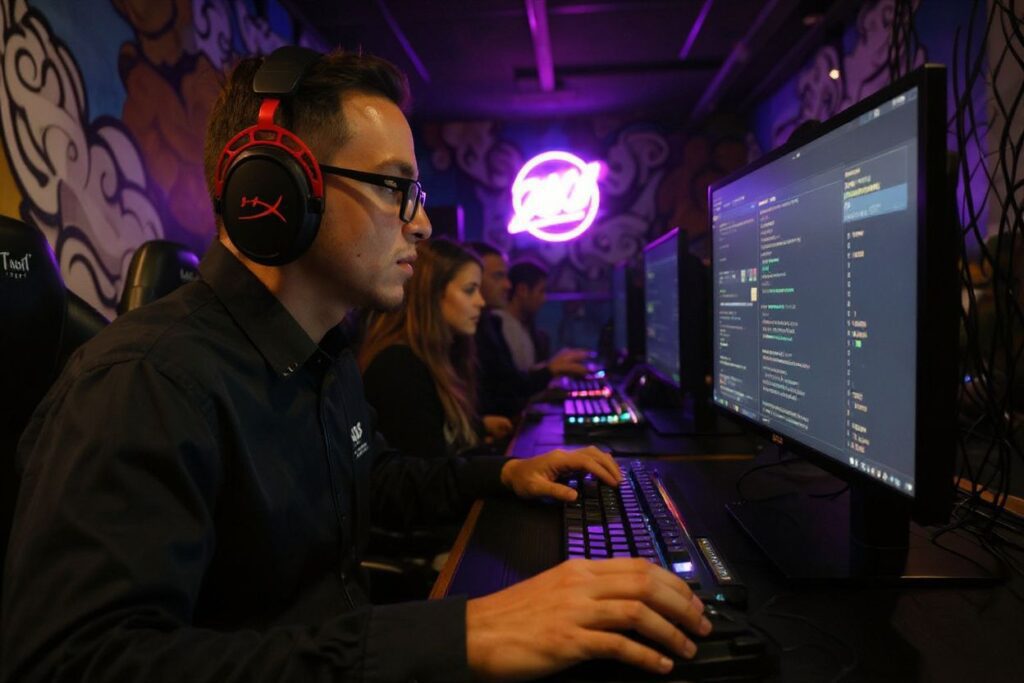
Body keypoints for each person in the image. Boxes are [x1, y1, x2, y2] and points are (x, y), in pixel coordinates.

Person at [1, 47, 711, 682]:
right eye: (392, 186)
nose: (423, 225)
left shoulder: (324, 357)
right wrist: (458, 633)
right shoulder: (143, 383)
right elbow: (75, 662)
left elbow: (371, 480)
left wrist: (502, 472)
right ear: (275, 191)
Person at [359, 238, 513, 460]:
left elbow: (435, 430)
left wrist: (479, 427)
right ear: (431, 294)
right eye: (470, 290)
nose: (481, 302)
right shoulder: (398, 366)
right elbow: (426, 470)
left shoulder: (439, 354)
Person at [470, 241, 590, 417]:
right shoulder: (496, 325)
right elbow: (509, 389)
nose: (507, 285)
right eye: (498, 276)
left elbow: (510, 382)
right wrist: (551, 370)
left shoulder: (492, 323)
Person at [497, 258, 552, 372]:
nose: (544, 299)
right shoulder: (500, 325)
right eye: (541, 291)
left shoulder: (524, 326)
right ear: (522, 290)